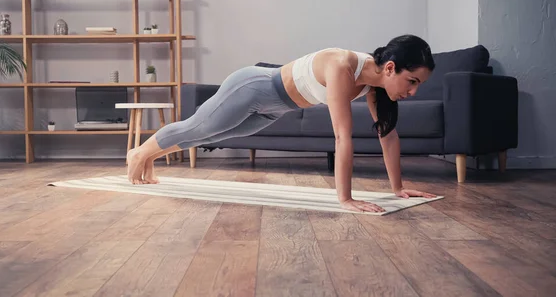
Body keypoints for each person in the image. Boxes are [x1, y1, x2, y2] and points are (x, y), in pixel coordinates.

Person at [126, 34, 438, 213]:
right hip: (251, 88)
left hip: (274, 109)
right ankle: (139, 153)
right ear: (391, 68)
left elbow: (389, 137)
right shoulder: (343, 66)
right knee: (200, 127)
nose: (412, 91)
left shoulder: (375, 86)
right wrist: (346, 199)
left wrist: (397, 188)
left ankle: (151, 156)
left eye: (418, 85)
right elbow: (343, 138)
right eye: (412, 81)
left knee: (209, 134)